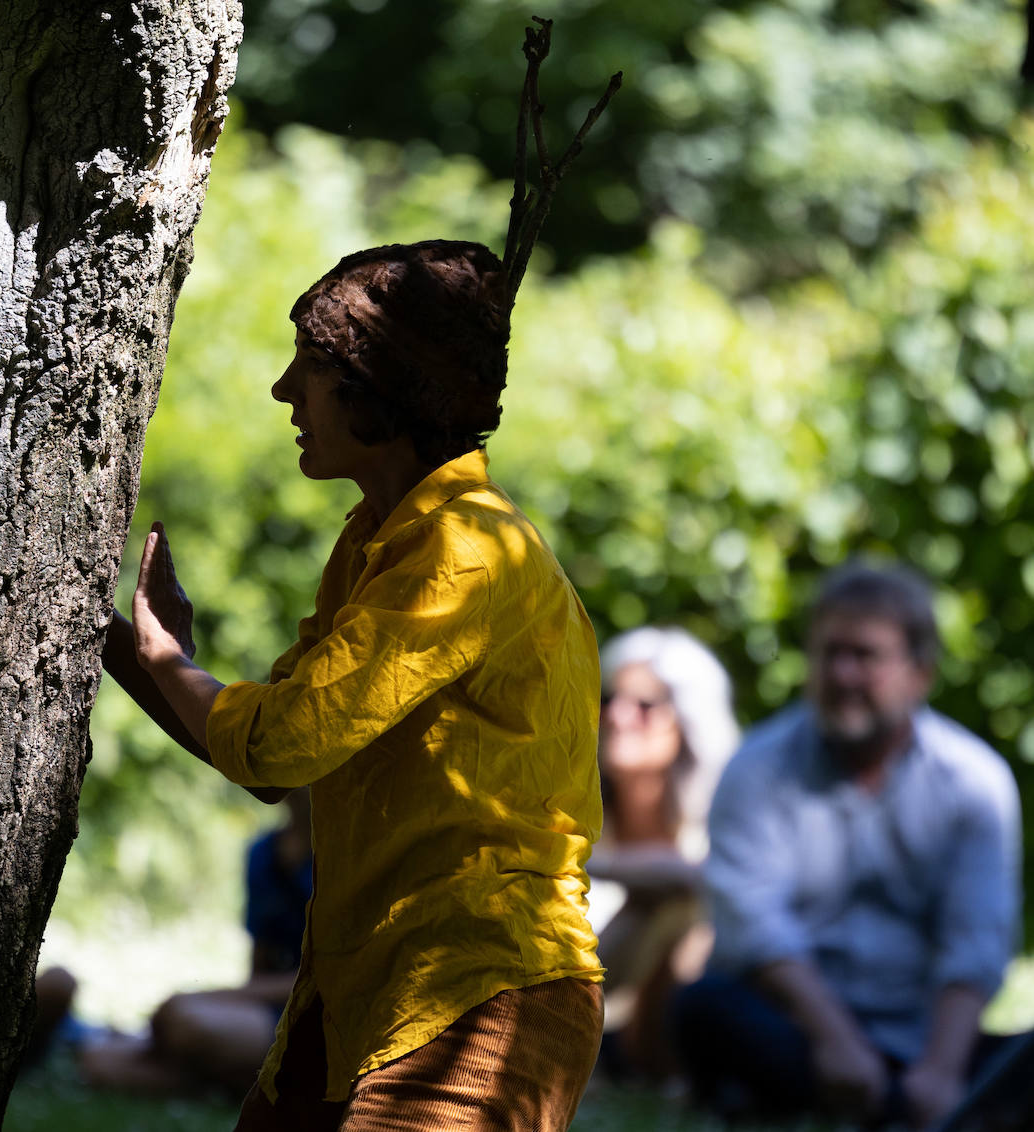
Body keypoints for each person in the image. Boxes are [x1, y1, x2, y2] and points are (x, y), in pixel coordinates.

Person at [102, 240, 605, 1131]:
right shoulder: (378, 538)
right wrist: (122, 647)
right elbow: (273, 764)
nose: (283, 390)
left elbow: (280, 742)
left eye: (312, 364)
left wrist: (166, 660)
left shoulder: (464, 548)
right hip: (362, 990)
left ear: (381, 386)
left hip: (481, 993)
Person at [673, 561, 1023, 1129]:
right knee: (702, 1006)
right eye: (829, 653)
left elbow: (976, 940)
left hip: (924, 1037)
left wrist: (940, 1070)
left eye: (865, 656)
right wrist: (837, 1042)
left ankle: (910, 1100)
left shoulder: (973, 783)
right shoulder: (757, 768)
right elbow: (753, 926)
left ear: (919, 672)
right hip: (797, 1031)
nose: (842, 674)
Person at [76, 790, 313, 1097]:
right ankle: (236, 1082)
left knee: (184, 1021)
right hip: (267, 1013)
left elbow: (322, 982)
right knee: (99, 1061)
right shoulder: (264, 854)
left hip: (313, 1019)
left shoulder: (346, 858)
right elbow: (259, 969)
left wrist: (197, 999)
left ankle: (247, 1080)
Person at [587, 627, 738, 1079]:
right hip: (583, 1008)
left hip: (667, 1019)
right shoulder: (575, 815)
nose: (618, 716)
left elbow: (703, 879)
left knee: (683, 906)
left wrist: (600, 866)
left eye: (645, 705)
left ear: (688, 722)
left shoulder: (718, 823)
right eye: (609, 699)